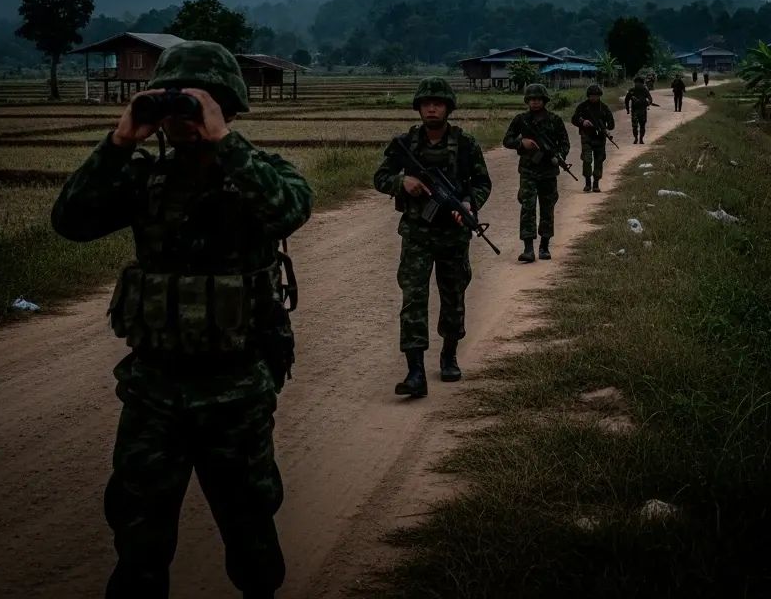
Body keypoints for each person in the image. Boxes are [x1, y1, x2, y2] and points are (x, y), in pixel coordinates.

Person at [51, 41, 312, 599]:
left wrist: (222, 140)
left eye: (200, 104)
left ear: (229, 108)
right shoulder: (144, 179)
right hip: (154, 388)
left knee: (250, 535)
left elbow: (288, 209)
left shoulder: (262, 172)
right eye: (175, 106)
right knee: (139, 538)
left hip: (236, 388)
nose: (184, 119)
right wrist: (121, 140)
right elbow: (70, 221)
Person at [374, 77, 492, 397]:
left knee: (453, 296)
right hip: (417, 234)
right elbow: (380, 177)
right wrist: (403, 182)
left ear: (448, 108)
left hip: (453, 236)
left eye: (438, 103)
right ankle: (415, 371)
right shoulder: (405, 144)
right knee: (413, 298)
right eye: (427, 103)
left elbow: (482, 182)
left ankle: (449, 354)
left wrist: (469, 203)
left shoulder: (466, 145)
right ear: (419, 108)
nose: (432, 108)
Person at [502, 82, 571, 262]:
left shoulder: (554, 120)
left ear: (544, 100)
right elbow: (507, 140)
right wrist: (521, 143)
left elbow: (565, 143)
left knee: (547, 208)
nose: (534, 102)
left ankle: (544, 246)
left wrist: (559, 155)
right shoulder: (521, 120)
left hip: (548, 172)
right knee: (527, 208)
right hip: (528, 171)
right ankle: (528, 249)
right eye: (531, 99)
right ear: (527, 101)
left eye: (538, 99)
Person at [570, 83, 615, 192]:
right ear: (588, 96)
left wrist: (606, 129)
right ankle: (587, 183)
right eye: (592, 95)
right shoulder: (583, 107)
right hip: (587, 137)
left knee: (599, 160)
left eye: (596, 95)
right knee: (587, 159)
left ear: (600, 95)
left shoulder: (604, 108)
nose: (594, 97)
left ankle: (596, 183)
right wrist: (583, 122)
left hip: (600, 138)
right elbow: (574, 119)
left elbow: (611, 124)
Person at [624, 75, 654, 144]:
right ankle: (636, 138)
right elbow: (626, 100)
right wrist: (627, 109)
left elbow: (650, 98)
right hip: (635, 110)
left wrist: (648, 103)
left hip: (642, 110)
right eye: (636, 83)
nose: (637, 84)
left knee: (642, 125)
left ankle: (641, 138)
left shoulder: (644, 90)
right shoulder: (632, 90)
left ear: (642, 83)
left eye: (639, 83)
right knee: (635, 126)